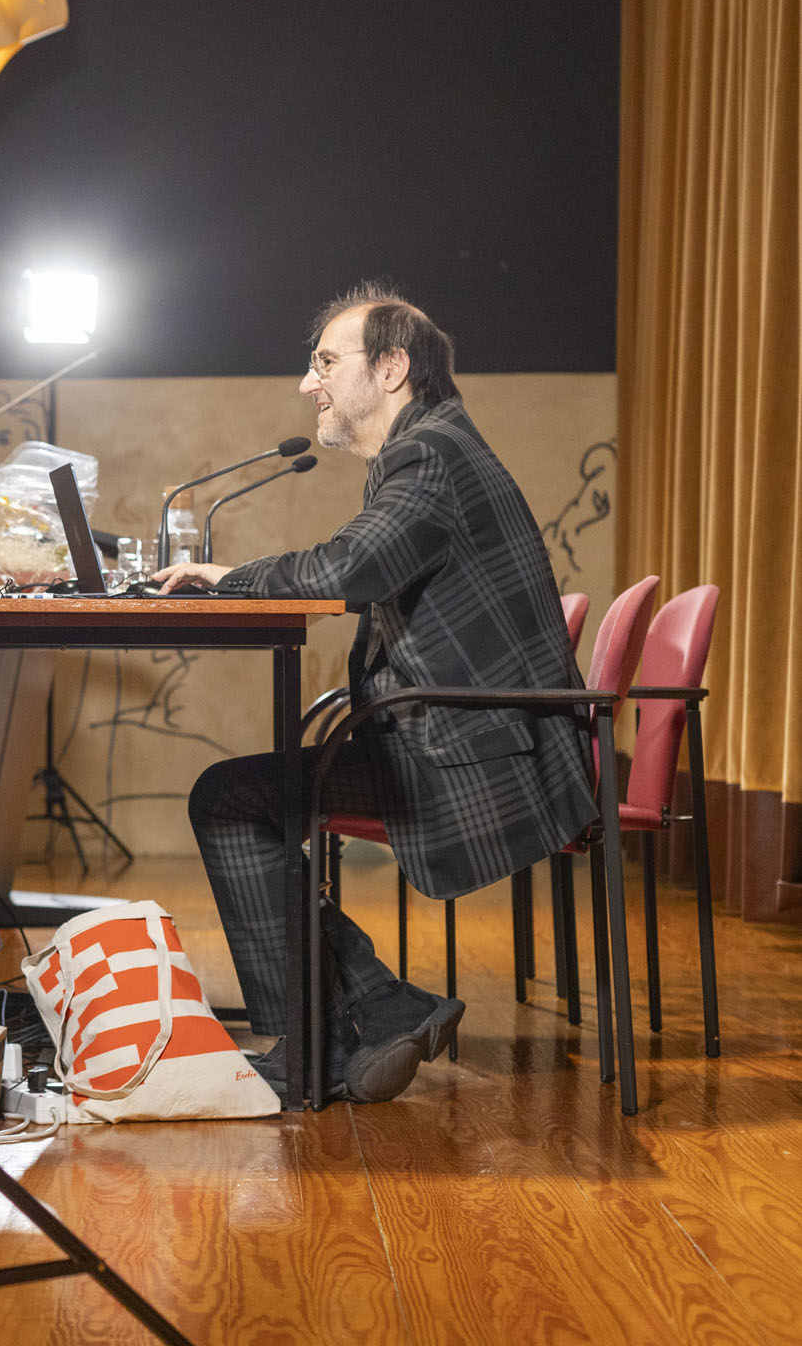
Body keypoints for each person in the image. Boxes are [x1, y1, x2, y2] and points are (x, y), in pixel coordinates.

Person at [153, 283, 597, 1104]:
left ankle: (330, 1033)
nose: (308, 383)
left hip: (483, 757)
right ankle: (368, 1010)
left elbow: (348, 569)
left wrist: (231, 577)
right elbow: (361, 567)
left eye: (326, 362)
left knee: (230, 800)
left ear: (392, 368)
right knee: (240, 798)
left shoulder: (429, 454)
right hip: (473, 737)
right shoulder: (436, 443)